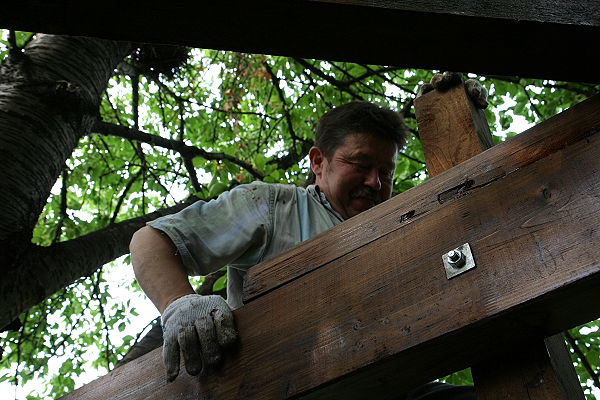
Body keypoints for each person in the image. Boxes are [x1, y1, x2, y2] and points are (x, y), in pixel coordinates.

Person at [130, 88, 480, 398]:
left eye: (385, 172)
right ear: (318, 161)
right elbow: (151, 240)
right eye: (360, 164)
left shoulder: (396, 229)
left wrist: (464, 119)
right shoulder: (273, 207)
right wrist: (179, 303)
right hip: (286, 383)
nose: (375, 182)